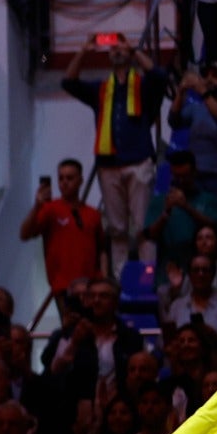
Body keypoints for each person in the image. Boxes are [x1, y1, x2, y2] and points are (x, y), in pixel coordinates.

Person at [62, 39, 171, 273]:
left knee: (144, 224)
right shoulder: (101, 88)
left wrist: (135, 50)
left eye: (121, 46)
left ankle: (147, 277)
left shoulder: (142, 85)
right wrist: (82, 50)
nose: (117, 50)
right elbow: (68, 82)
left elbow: (160, 77)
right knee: (116, 228)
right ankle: (122, 281)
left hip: (139, 161)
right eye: (113, 47)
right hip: (109, 166)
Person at [18, 159, 104, 304]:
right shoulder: (50, 209)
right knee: (70, 324)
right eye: (61, 178)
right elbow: (24, 234)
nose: (64, 182)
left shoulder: (93, 214)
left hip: (91, 285)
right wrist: (37, 206)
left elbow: (101, 250)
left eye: (69, 178)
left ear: (80, 180)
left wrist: (102, 278)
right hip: (63, 286)